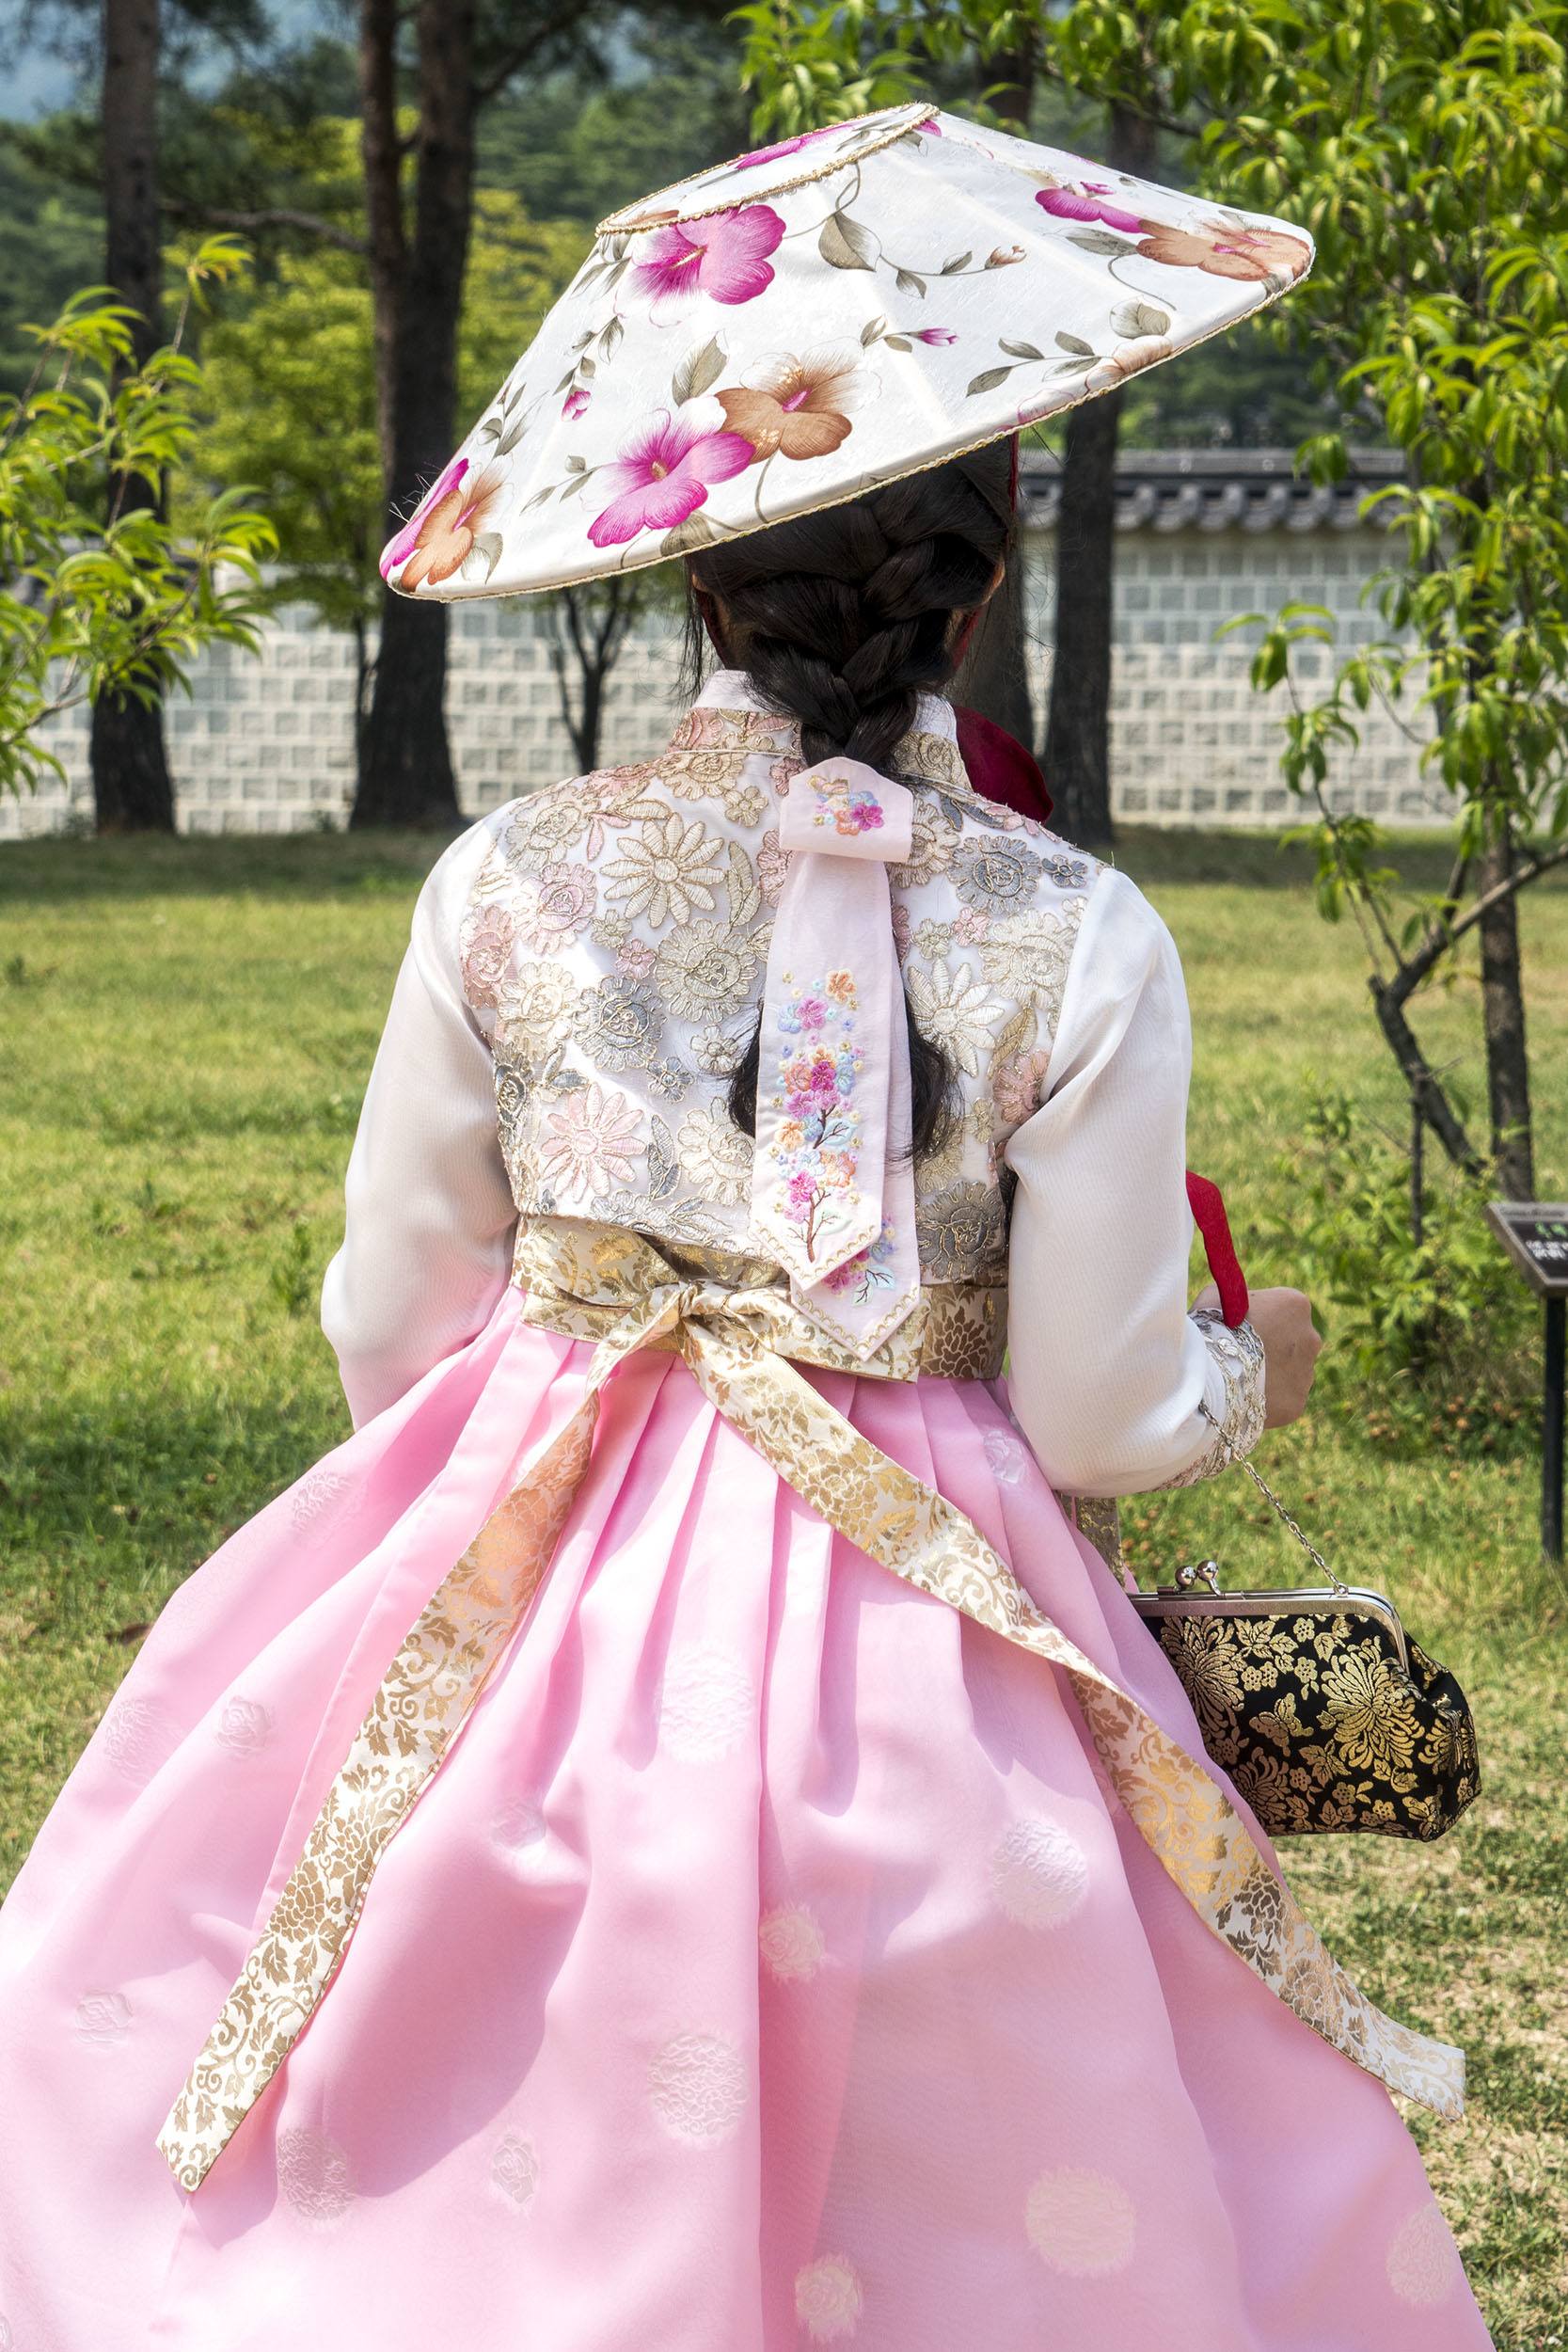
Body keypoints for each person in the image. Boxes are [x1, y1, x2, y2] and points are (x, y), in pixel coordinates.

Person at [0, 103, 1493, 2352]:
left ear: (693, 569)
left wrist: (531, 1493)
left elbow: (394, 1307)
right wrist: (1242, 1372)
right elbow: (1092, 1409)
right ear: (981, 567)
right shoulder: (1069, 927)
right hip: (933, 1643)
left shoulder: (504, 877)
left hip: (534, 1554)